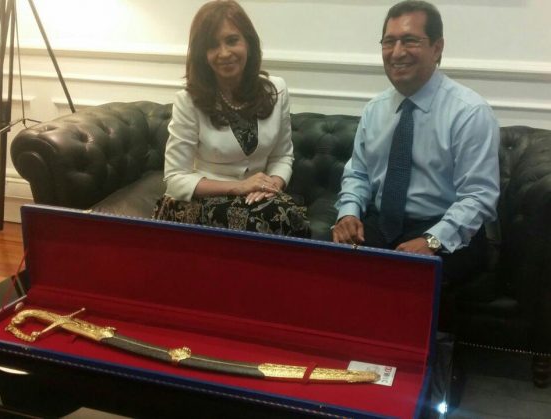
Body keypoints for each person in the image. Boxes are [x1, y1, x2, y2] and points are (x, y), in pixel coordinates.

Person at [333, 1, 500, 326]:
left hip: (447, 228)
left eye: (410, 41)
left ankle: (425, 356)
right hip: (384, 222)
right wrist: (349, 213)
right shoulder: (375, 110)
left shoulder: (469, 112)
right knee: (332, 264)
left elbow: (478, 196)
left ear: (437, 48)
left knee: (409, 281)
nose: (397, 52)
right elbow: (358, 174)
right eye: (389, 42)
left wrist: (432, 241)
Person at [154, 0, 309, 238]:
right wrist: (239, 187)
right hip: (199, 202)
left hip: (257, 199)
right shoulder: (188, 100)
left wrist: (271, 186)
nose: (224, 53)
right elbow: (176, 178)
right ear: (202, 54)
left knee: (281, 215)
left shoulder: (276, 90)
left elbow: (282, 156)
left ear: (248, 42)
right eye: (212, 45)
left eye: (232, 40)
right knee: (270, 219)